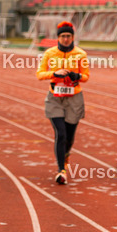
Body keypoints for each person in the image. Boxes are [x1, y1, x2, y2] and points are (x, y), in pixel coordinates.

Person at [36, 21, 89, 185]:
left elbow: (86, 76)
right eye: (63, 36)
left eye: (68, 36)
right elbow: (39, 74)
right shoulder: (50, 54)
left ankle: (66, 155)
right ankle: (61, 170)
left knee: (70, 137)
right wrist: (55, 73)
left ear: (73, 37)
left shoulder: (81, 54)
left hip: (74, 98)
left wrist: (77, 76)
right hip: (55, 98)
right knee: (61, 133)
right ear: (58, 38)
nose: (66, 39)